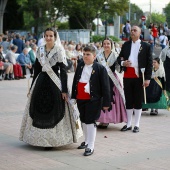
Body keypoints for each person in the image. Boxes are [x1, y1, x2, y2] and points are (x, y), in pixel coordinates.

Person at [19, 28, 82, 149]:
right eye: (46, 36)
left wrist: (64, 90)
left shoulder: (59, 50)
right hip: (41, 82)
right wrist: (32, 88)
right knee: (39, 108)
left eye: (51, 36)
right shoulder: (40, 50)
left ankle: (52, 140)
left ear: (55, 37)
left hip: (54, 84)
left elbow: (63, 72)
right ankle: (39, 138)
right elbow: (37, 70)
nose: (48, 38)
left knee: (55, 109)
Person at [71, 45, 111, 156]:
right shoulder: (80, 66)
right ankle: (86, 140)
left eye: (88, 54)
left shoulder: (100, 68)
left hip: (93, 99)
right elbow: (75, 81)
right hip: (80, 98)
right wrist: (73, 96)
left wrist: (107, 102)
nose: (85, 56)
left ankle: (91, 145)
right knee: (83, 120)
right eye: (84, 54)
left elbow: (105, 86)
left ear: (94, 56)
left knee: (90, 120)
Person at [117, 26, 152, 133]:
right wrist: (123, 63)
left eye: (135, 30)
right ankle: (128, 124)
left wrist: (147, 79)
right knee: (128, 100)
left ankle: (136, 124)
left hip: (139, 76)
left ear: (140, 32)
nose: (132, 32)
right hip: (127, 75)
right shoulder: (126, 44)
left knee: (137, 100)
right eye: (131, 30)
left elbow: (149, 63)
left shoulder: (146, 46)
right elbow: (119, 58)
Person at [96, 38, 127, 129]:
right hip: (101, 79)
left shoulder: (115, 55)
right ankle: (101, 119)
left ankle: (107, 120)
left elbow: (119, 69)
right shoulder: (99, 56)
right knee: (100, 97)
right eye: (104, 44)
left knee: (111, 98)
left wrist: (122, 63)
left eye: (108, 44)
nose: (106, 45)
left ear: (111, 45)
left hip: (112, 79)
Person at [159, 42, 170, 111]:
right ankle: (167, 101)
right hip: (167, 70)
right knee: (167, 85)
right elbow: (161, 59)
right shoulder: (165, 50)